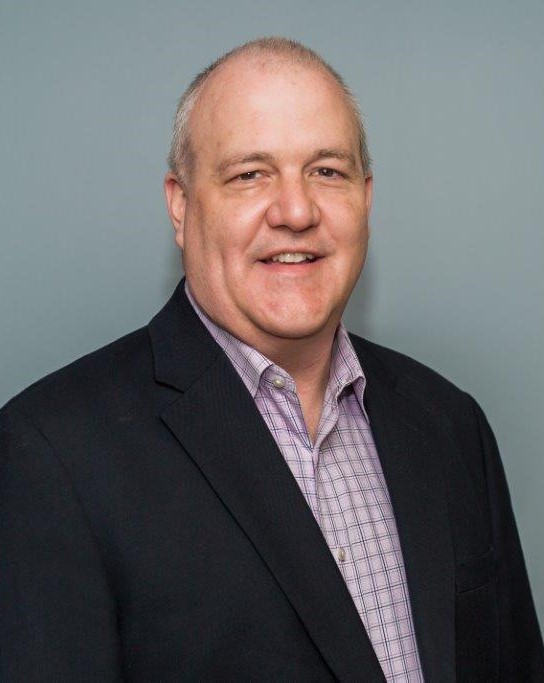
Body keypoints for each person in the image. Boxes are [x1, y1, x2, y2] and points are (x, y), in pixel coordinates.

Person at [0, 37, 542, 682]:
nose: (296, 211)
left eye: (327, 171)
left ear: (366, 199)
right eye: (250, 174)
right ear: (180, 205)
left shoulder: (451, 424)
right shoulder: (50, 455)